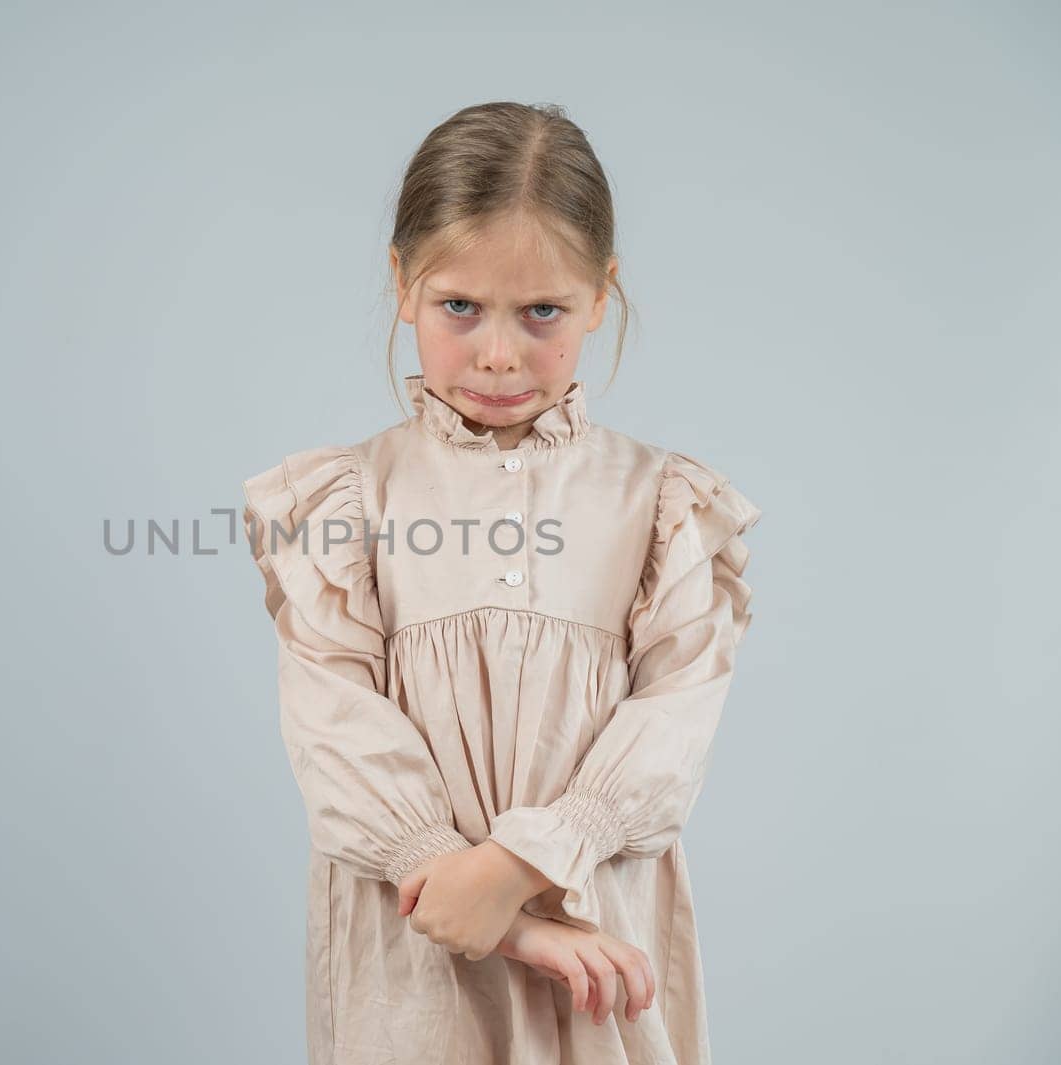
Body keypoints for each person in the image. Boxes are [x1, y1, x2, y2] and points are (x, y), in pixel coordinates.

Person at [240, 101, 762, 1065]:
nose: (497, 352)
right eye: (460, 307)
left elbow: (672, 726)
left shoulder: (660, 505)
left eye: (543, 312)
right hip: (417, 954)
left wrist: (524, 864)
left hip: (600, 941)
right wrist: (492, 906)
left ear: (602, 295)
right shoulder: (347, 502)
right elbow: (336, 732)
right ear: (402, 284)